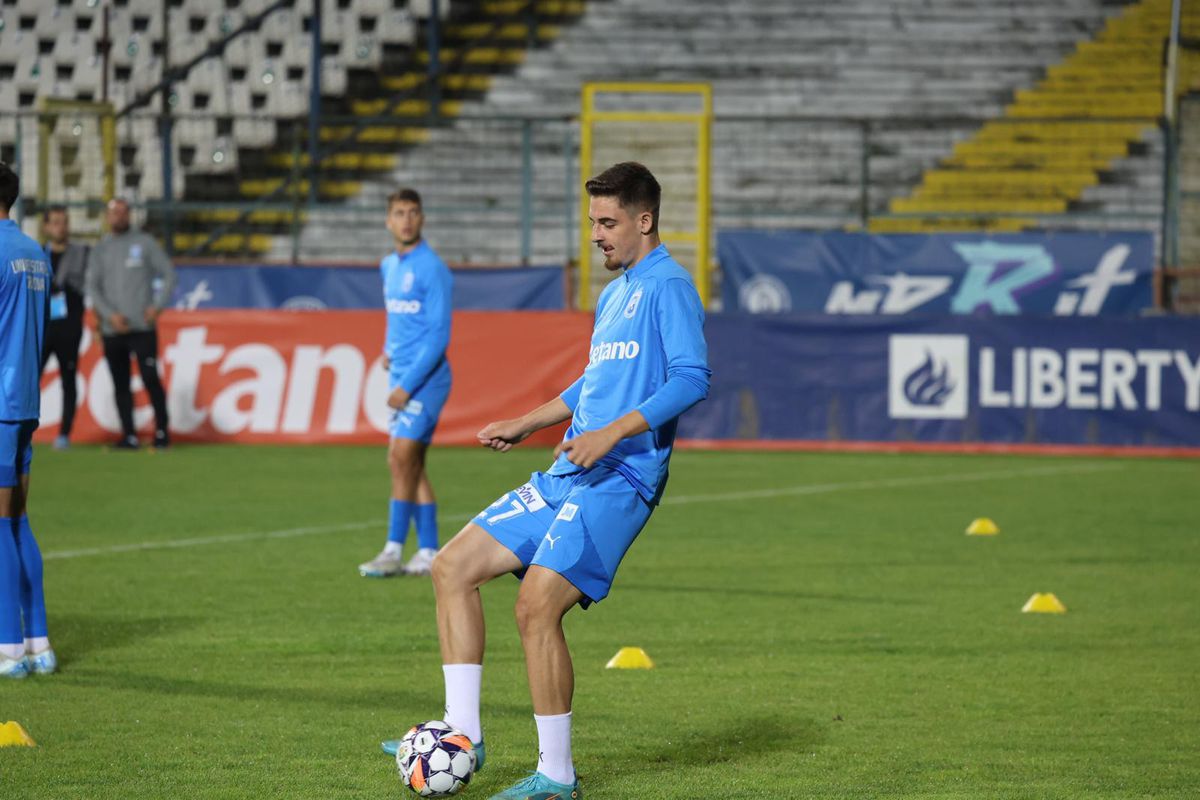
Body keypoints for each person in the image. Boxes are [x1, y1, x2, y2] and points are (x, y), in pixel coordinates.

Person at [382, 162, 710, 800]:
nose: (597, 235)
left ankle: (557, 776)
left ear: (645, 221)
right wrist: (530, 421)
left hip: (620, 480)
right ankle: (463, 735)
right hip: (569, 471)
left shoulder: (670, 287)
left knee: (535, 606)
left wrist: (611, 433)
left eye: (608, 222)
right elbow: (594, 382)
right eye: (592, 222)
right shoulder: (616, 294)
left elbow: (693, 378)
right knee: (452, 567)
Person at [358, 188, 453, 578]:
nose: (407, 219)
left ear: (422, 219)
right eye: (399, 213)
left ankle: (393, 550)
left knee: (400, 459)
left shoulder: (432, 268)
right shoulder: (388, 266)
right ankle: (429, 551)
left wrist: (405, 386)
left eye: (413, 212)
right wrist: (387, 350)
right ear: (388, 221)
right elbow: (399, 321)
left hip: (426, 382)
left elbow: (437, 337)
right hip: (401, 375)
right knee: (409, 464)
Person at [0, 162, 57, 679]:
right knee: (16, 520)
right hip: (25, 404)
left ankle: (7, 647)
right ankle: (38, 643)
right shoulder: (33, 253)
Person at [84, 198, 176, 449]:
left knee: (150, 378)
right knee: (120, 383)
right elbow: (92, 287)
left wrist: (156, 308)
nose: (119, 216)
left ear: (129, 215)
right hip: (113, 329)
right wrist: (109, 315)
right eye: (114, 212)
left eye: (123, 212)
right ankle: (129, 435)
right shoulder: (101, 249)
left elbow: (168, 274)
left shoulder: (144, 243)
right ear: (107, 216)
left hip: (142, 328)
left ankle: (161, 432)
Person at [39, 204, 90, 450]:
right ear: (46, 226)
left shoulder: (83, 253)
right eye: (56, 222)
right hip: (42, 328)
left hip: (69, 329)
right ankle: (22, 429)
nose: (62, 227)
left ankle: (64, 434)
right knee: (30, 380)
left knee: (68, 379)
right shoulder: (37, 254)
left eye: (65, 222)